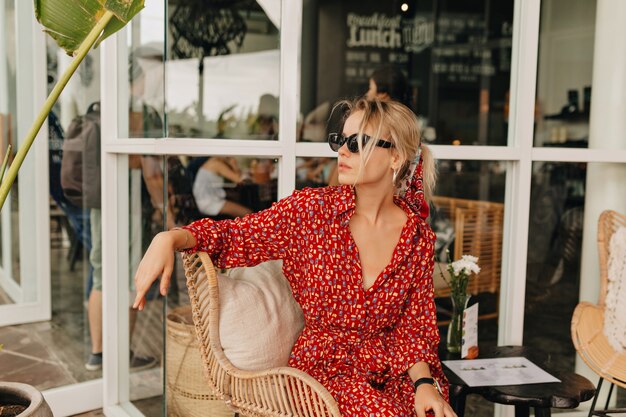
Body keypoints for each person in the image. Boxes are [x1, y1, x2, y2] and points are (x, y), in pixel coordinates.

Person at [133, 98, 456, 417]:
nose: (342, 151)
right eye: (340, 140)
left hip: (397, 372)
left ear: (395, 156)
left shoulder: (417, 237)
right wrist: (170, 237)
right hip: (328, 374)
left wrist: (424, 384)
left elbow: (413, 327)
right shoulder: (311, 212)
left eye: (356, 143)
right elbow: (235, 236)